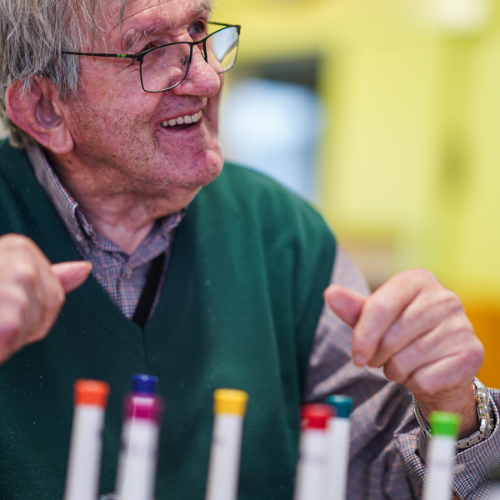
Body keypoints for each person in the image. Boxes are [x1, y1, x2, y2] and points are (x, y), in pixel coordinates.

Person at [0, 0, 497, 498]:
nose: (207, 77)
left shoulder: (283, 235)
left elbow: (386, 481)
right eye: (150, 49)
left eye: (197, 28)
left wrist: (453, 406)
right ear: (45, 107)